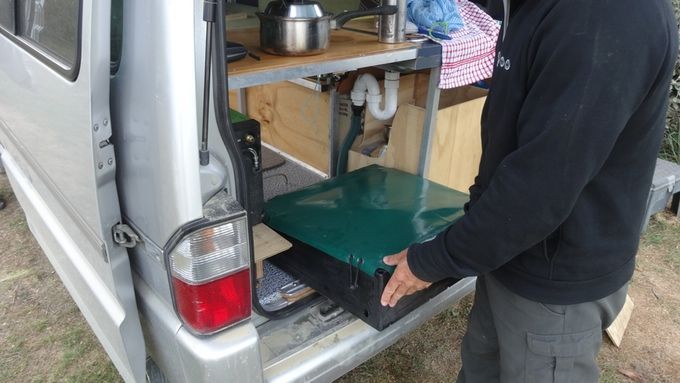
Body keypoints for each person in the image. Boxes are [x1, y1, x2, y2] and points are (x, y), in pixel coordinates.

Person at [380, 0, 678, 382]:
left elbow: (541, 186)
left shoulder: (604, 16)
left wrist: (436, 259)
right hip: (511, 254)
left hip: (556, 284)